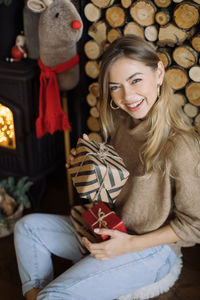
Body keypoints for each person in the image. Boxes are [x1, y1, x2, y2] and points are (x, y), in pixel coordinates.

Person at [14, 34, 200, 300]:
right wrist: (87, 169)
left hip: (153, 249)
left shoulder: (180, 145)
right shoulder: (122, 122)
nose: (127, 96)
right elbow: (117, 191)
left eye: (136, 80)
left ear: (158, 72)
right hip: (112, 228)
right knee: (26, 228)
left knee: (53, 296)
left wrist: (129, 245)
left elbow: (195, 225)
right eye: (115, 86)